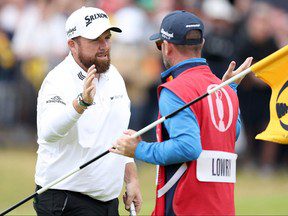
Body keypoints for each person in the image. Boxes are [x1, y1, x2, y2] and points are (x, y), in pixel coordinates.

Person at [111, 10, 252, 215]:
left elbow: (188, 147)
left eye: (159, 45)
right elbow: (231, 133)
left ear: (167, 47)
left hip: (185, 206)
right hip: (222, 207)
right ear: (201, 45)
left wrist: (138, 150)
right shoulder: (224, 89)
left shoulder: (175, 89)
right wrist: (229, 90)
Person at [34, 6, 142, 215]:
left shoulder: (114, 77)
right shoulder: (57, 80)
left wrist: (132, 179)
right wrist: (80, 104)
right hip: (66, 198)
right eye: (95, 40)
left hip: (108, 202)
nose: (104, 46)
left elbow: (118, 135)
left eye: (107, 38)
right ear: (72, 45)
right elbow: (47, 133)